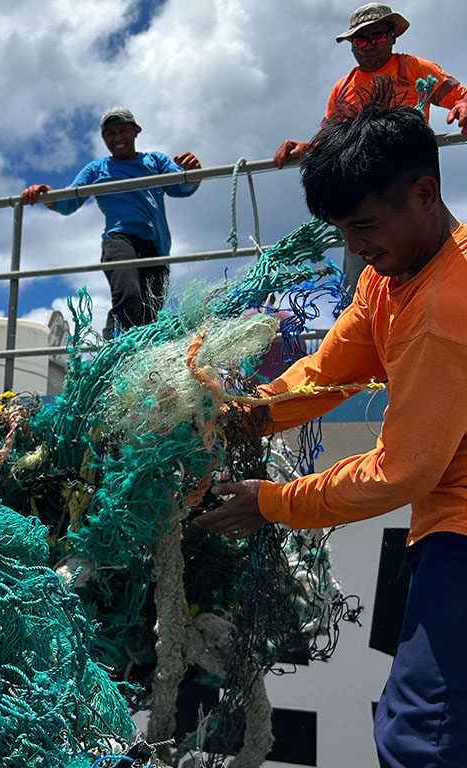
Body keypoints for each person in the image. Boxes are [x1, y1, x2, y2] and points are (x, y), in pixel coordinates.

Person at [196, 92, 467, 767]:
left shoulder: (443, 306)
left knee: (419, 739)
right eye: (344, 231)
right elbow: (329, 372)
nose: (356, 249)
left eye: (366, 225)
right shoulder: (389, 278)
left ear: (425, 192)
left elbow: (401, 472)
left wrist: (270, 503)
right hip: (446, 525)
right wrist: (242, 416)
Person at [21, 107, 202, 339]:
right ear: (104, 139)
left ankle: (140, 364)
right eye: (110, 133)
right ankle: (111, 352)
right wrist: (45, 194)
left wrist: (192, 174)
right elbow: (68, 203)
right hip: (120, 241)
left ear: (136, 131)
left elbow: (181, 188)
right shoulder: (98, 169)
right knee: (129, 297)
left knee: (150, 316)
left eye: (123, 130)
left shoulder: (155, 161)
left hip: (157, 248)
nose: (117, 138)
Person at [274, 3, 467, 169]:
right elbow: (330, 142)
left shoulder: (415, 69)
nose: (368, 45)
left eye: (377, 37)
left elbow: (461, 96)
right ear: (351, 45)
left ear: (392, 37)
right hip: (362, 180)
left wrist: (463, 105)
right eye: (360, 39)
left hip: (410, 172)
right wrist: (306, 148)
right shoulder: (342, 88)